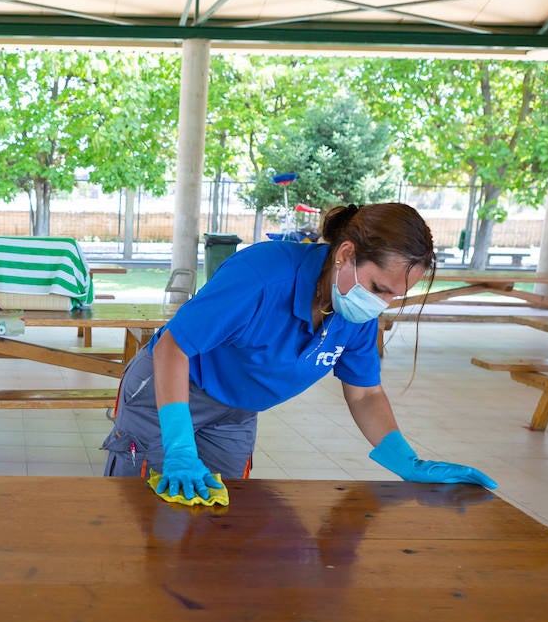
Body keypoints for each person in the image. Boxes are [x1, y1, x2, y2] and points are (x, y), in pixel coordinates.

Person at [103, 202, 496, 501]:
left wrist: (407, 461)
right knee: (139, 513)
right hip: (168, 393)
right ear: (344, 255)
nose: (383, 304)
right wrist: (179, 445)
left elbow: (365, 394)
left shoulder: (355, 314)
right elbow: (174, 347)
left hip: (236, 413)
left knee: (224, 517)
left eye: (396, 296)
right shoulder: (262, 276)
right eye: (379, 289)